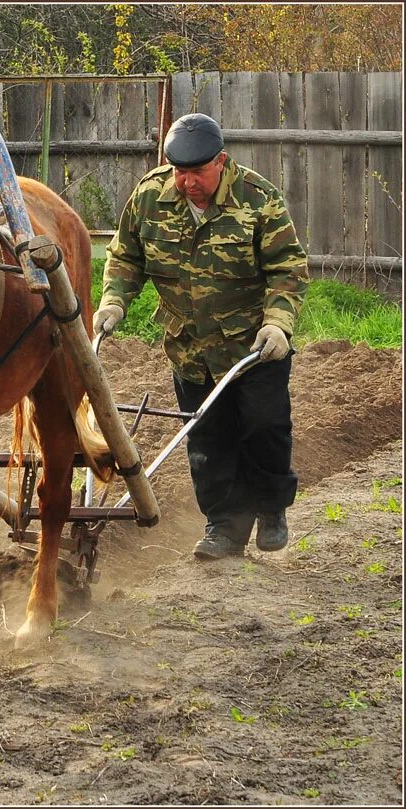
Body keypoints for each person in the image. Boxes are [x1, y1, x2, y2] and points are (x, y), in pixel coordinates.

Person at [94, 112, 309, 560]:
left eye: (196, 172)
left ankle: (271, 509)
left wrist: (278, 323)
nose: (186, 182)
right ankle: (224, 529)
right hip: (190, 346)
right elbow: (125, 257)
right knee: (208, 438)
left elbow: (287, 269)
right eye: (179, 172)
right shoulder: (150, 196)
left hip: (254, 345)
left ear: (220, 162)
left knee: (264, 428)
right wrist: (114, 301)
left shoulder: (257, 199)